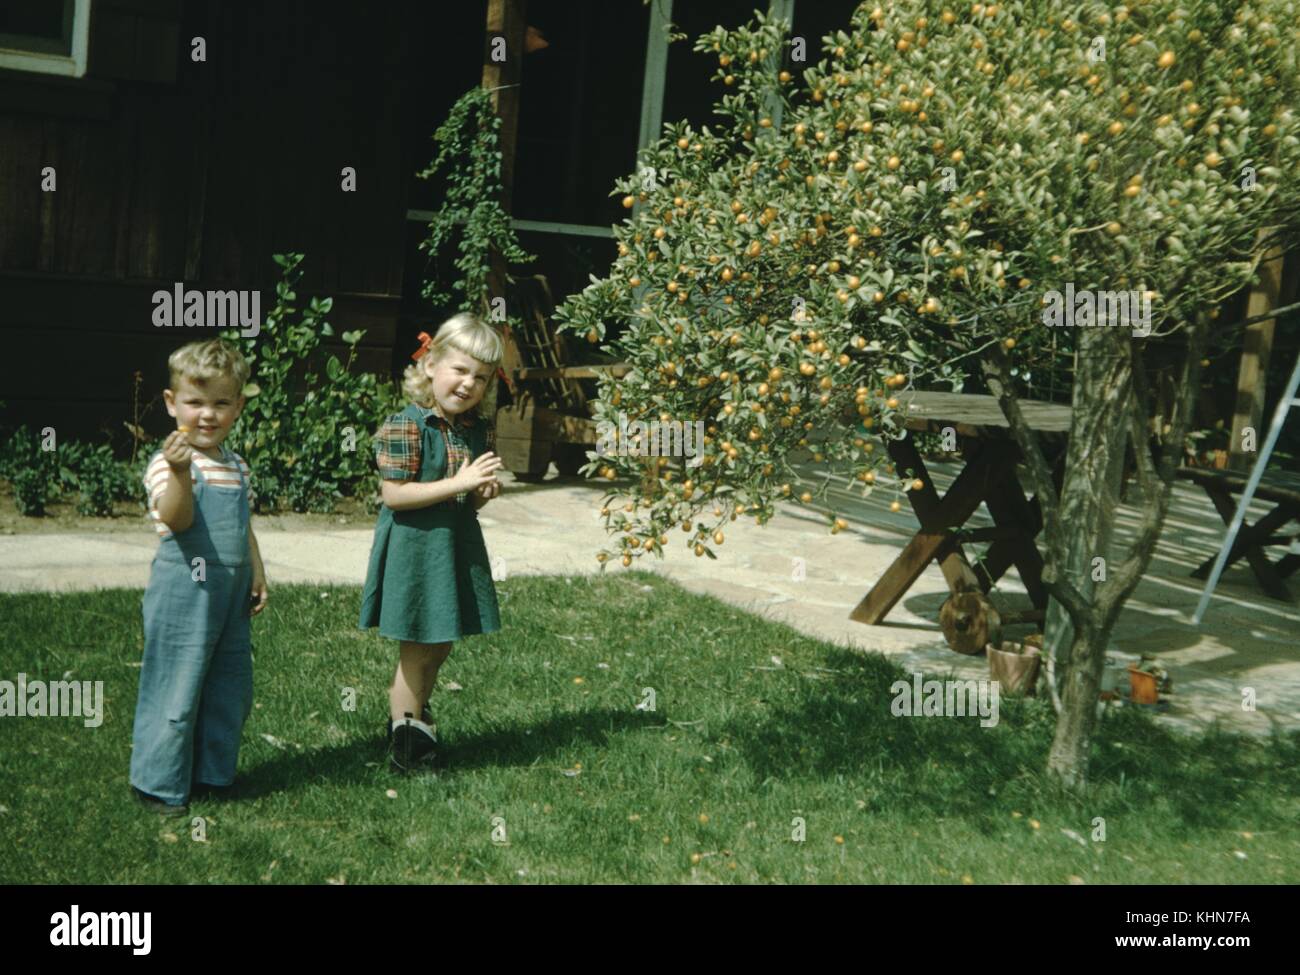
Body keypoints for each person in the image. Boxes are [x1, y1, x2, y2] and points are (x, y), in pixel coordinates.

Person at [359, 313, 505, 771]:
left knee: (440, 642)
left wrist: (478, 494)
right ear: (430, 366)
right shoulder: (408, 425)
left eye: (480, 378)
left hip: (453, 546)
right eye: (459, 370)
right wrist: (460, 482)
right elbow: (395, 496)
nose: (468, 385)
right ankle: (407, 743)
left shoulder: (472, 429)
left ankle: (414, 719)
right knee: (416, 645)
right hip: (417, 550)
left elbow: (465, 502)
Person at [130, 339, 268, 815]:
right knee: (178, 683)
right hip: (184, 591)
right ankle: (158, 782)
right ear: (172, 404)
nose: (206, 415)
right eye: (194, 402)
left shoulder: (236, 465)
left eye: (220, 403)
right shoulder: (168, 463)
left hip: (228, 595)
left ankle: (212, 773)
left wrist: (256, 571)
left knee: (229, 685)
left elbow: (242, 523)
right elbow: (177, 518)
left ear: (238, 407)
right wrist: (181, 473)